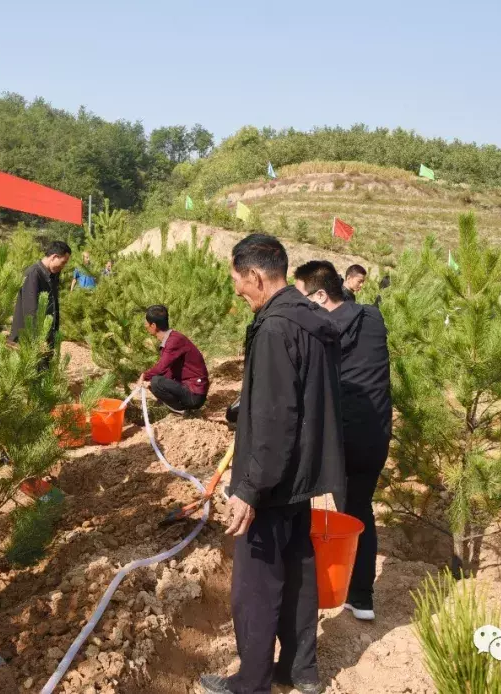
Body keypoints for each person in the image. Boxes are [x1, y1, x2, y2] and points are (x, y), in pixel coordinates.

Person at [199, 234, 344, 694]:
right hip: (302, 478)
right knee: (299, 576)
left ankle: (253, 681)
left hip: (273, 480)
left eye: (237, 282)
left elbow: (277, 417)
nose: (237, 291)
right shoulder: (313, 320)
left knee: (256, 587)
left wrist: (249, 489)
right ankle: (301, 671)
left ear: (257, 276)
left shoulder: (275, 327)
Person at [294, 260, 392, 622]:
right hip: (377, 433)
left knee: (311, 509)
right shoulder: (373, 318)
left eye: (302, 297)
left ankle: (316, 586)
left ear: (320, 295)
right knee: (359, 508)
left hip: (341, 438)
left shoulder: (320, 330)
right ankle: (361, 596)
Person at [137, 305, 209, 414]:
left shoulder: (174, 341)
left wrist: (144, 376)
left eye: (146, 323)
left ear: (153, 325)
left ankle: (184, 412)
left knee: (156, 381)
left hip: (194, 393)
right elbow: (168, 371)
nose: (145, 325)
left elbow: (161, 367)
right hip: (191, 388)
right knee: (156, 382)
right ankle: (181, 410)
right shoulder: (172, 339)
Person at [9, 240, 71, 348]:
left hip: (46, 337)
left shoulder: (53, 274)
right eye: (63, 262)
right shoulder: (33, 274)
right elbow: (30, 310)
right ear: (54, 257)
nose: (63, 266)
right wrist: (38, 338)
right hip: (29, 339)